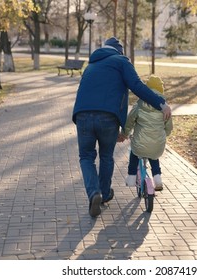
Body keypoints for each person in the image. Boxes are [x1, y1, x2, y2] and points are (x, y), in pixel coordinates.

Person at [72, 37, 172, 218]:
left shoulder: (91, 65)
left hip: (82, 115)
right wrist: (160, 103)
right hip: (108, 117)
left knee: (86, 157)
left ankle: (94, 193)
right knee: (106, 156)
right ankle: (103, 194)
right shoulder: (121, 62)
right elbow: (137, 86)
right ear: (119, 51)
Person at [122, 75, 173, 191]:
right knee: (153, 154)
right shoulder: (165, 107)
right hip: (158, 143)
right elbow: (169, 127)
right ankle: (158, 179)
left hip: (140, 142)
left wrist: (125, 133)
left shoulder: (139, 105)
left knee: (135, 151)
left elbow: (130, 120)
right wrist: (164, 134)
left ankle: (131, 177)